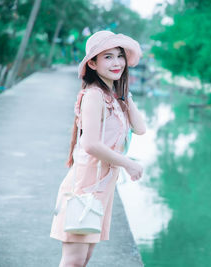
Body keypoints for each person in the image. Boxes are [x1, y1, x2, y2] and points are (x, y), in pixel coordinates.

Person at [49, 30, 146, 267]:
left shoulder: (113, 97)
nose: (117, 63)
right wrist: (129, 163)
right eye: (108, 57)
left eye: (120, 56)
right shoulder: (93, 96)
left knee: (84, 259)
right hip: (85, 185)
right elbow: (90, 144)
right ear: (92, 63)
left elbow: (140, 128)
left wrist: (124, 93)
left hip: (102, 187)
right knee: (73, 261)